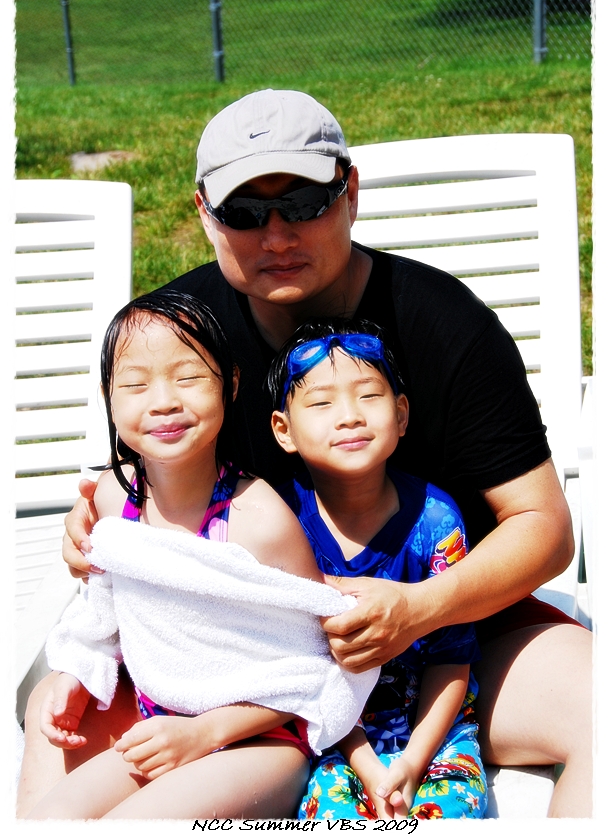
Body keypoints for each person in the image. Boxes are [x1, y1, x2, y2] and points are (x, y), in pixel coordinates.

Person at [17, 89, 591, 818]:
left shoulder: (444, 324)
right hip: (236, 671)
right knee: (53, 714)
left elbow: (544, 527)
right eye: (244, 213)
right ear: (204, 214)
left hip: (444, 649)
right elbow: (134, 482)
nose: (277, 234)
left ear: (350, 193)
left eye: (304, 202)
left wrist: (421, 608)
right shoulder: (178, 341)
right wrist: (93, 518)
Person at [25, 292, 376, 820]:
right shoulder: (115, 500)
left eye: (188, 378)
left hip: (260, 741)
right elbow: (103, 613)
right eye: (136, 385)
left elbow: (320, 667)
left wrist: (205, 732)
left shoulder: (257, 519)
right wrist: (80, 673)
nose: (163, 401)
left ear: (229, 385)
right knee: (50, 820)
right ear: (107, 397)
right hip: (159, 729)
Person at [268, 318, 487, 820]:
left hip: (436, 730)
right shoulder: (280, 525)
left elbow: (451, 657)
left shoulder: (436, 522)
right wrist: (368, 766)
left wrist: (411, 762)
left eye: (369, 395)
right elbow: (301, 666)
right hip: (329, 734)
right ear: (284, 430)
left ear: (401, 414)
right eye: (321, 404)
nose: (349, 416)